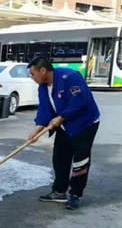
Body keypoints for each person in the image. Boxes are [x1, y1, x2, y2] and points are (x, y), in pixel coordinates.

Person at [26, 57, 100, 210]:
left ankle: (75, 195)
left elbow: (79, 101)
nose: (32, 78)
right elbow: (44, 110)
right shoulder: (43, 87)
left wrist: (61, 117)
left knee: (80, 159)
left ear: (43, 71)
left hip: (84, 123)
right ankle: (59, 191)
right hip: (64, 124)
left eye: (33, 74)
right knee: (60, 157)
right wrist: (36, 131)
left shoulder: (69, 77)